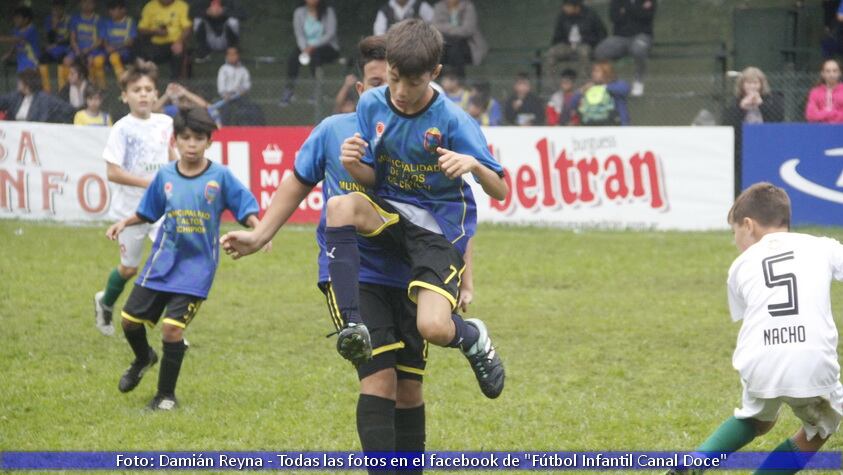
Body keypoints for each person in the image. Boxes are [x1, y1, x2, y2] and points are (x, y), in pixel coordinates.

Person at [222, 35, 444, 472]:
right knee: (378, 379)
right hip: (354, 275)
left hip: (409, 274)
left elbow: (448, 208)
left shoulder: (421, 136)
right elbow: (297, 180)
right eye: (378, 83)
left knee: (409, 388)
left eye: (395, 83)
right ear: (361, 90)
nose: (389, 94)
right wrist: (260, 232)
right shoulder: (332, 130)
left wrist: (457, 278)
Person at [327, 20, 507, 402]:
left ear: (435, 74)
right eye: (393, 79)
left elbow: (501, 190)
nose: (401, 92)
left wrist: (474, 166)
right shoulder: (371, 104)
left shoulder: (454, 121)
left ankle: (472, 337)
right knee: (339, 206)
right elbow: (373, 178)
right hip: (391, 213)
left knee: (433, 327)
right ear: (387, 66)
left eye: (413, 83)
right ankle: (352, 323)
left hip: (437, 232)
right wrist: (352, 164)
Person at [668, 183, 843, 475]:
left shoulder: (739, 266)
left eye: (734, 232)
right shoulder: (821, 246)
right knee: (820, 428)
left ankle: (692, 464)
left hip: (759, 359)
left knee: (756, 419)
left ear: (748, 225)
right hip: (811, 361)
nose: (736, 240)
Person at [106, 106, 264, 411]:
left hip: (197, 268)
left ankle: (165, 396)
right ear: (174, 141)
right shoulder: (165, 176)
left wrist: (260, 230)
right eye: (186, 138)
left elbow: (245, 207)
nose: (192, 144)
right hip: (162, 262)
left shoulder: (220, 176)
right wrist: (124, 222)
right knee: (128, 322)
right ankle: (143, 359)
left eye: (199, 138)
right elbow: (148, 211)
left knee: (171, 329)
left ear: (209, 142)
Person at [93, 60, 176, 337]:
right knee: (129, 269)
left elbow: (172, 158)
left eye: (148, 89)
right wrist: (147, 183)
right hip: (131, 210)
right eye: (136, 89)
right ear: (124, 95)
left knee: (169, 260)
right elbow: (113, 172)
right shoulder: (122, 129)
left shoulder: (166, 123)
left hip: (162, 208)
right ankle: (105, 302)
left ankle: (171, 326)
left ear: (156, 94)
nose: (143, 94)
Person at [279, 0, 340, 106]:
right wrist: (304, 48)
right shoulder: (299, 13)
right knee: (293, 58)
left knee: (315, 56)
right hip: (305, 47)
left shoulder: (328, 12)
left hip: (326, 47)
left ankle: (318, 91)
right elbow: (299, 34)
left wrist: (312, 47)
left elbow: (330, 34)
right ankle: (289, 90)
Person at [594, 0, 656, 97]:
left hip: (642, 36)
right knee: (600, 51)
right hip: (620, 37)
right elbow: (614, 18)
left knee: (638, 50)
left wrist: (626, 10)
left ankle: (639, 81)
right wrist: (636, 10)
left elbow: (647, 16)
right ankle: (609, 80)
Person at [544, 0, 606, 79]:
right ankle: (550, 85)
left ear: (576, 7)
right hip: (567, 45)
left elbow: (601, 33)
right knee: (551, 53)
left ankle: (584, 82)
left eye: (567, 6)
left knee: (584, 53)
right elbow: (557, 35)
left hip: (586, 44)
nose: (564, 8)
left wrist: (593, 45)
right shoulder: (562, 16)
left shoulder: (590, 14)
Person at [137, 0, 192, 80]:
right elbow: (141, 29)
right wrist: (154, 31)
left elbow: (188, 28)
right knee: (140, 49)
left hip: (175, 42)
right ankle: (143, 80)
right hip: (155, 43)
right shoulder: (150, 6)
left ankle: (176, 80)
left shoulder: (182, 6)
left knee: (178, 49)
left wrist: (179, 41)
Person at [432, 0, 487, 78]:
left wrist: (447, 29)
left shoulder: (468, 6)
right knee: (443, 46)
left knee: (455, 45)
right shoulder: (439, 6)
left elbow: (467, 30)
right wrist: (455, 28)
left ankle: (459, 81)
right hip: (446, 45)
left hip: (467, 45)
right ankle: (439, 80)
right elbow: (436, 26)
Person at [566, 61, 630, 125]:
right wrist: (582, 90)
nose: (593, 74)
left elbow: (625, 89)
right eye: (593, 71)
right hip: (591, 126)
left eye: (597, 71)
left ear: (606, 73)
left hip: (615, 126)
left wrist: (603, 87)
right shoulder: (589, 87)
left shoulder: (616, 84)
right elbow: (572, 105)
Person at [0, 69, 75, 123]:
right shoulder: (16, 96)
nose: (18, 83)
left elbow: (68, 109)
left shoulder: (44, 98)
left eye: (20, 81)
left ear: (27, 82)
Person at [69, 0, 107, 89]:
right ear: (80, 4)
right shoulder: (75, 19)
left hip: (94, 50)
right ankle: (68, 88)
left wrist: (88, 50)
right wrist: (77, 50)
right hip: (78, 49)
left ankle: (92, 88)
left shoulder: (99, 20)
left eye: (90, 2)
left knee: (90, 61)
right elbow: (72, 38)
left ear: (94, 4)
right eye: (84, 2)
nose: (87, 5)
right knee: (67, 61)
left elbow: (100, 41)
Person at [100, 0, 137, 83]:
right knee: (97, 59)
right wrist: (107, 47)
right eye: (110, 10)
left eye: (114, 9)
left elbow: (130, 42)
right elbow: (104, 40)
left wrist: (115, 48)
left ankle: (122, 82)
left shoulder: (130, 22)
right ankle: (100, 86)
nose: (111, 12)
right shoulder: (106, 23)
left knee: (114, 57)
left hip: (125, 53)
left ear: (123, 10)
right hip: (108, 52)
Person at [40, 0, 72, 93]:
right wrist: (54, 25)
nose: (57, 10)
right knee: (42, 59)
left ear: (63, 8)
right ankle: (46, 90)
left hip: (65, 48)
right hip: (52, 49)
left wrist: (56, 44)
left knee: (62, 59)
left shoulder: (69, 19)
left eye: (59, 8)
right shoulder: (49, 19)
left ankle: (62, 89)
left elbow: (70, 38)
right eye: (55, 8)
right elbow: (49, 38)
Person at [0, 7, 41, 75]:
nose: (15, 20)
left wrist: (1, 38)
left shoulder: (31, 29)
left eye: (18, 18)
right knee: (23, 83)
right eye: (15, 17)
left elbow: (17, 39)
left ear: (26, 19)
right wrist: (9, 54)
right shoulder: (15, 30)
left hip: (31, 61)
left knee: (30, 82)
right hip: (21, 62)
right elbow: (15, 44)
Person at [805, 58, 843, 124]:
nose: (831, 74)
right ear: (823, 74)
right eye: (828, 71)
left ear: (839, 73)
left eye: (835, 71)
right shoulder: (815, 92)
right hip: (821, 130)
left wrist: (823, 114)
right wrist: (833, 113)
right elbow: (810, 115)